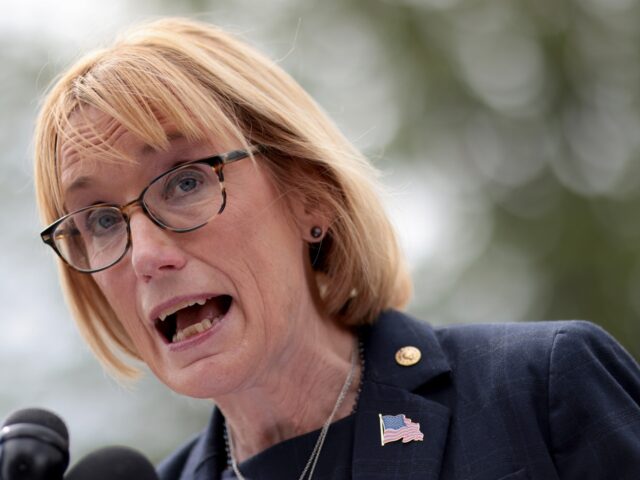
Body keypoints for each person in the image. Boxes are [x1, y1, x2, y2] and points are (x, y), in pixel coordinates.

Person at [33, 17, 640, 480]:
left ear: (309, 197)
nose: (145, 255)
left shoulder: (541, 391)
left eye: (185, 181)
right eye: (101, 221)